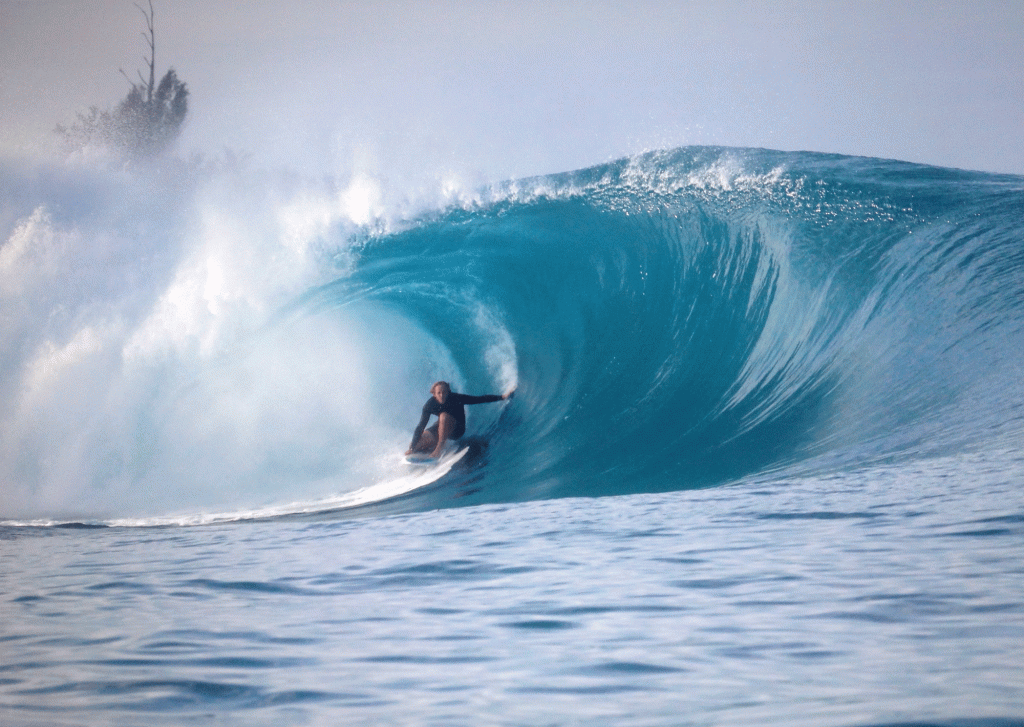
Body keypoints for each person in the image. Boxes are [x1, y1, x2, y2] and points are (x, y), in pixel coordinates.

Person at [406, 381, 514, 459]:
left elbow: (480, 399)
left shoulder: (456, 398)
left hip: (457, 430)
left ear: (448, 391)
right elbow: (421, 426)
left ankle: (439, 448)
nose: (442, 395)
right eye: (439, 393)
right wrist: (412, 448)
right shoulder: (429, 405)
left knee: (444, 416)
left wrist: (502, 397)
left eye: (444, 392)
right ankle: (425, 448)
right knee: (419, 441)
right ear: (434, 394)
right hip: (441, 427)